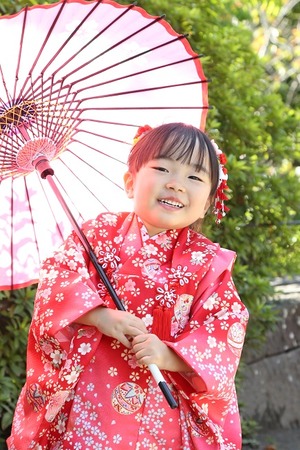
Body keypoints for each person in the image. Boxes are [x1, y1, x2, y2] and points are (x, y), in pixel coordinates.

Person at [8, 122, 249, 450]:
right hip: (92, 397)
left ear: (207, 202)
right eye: (163, 168)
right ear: (130, 182)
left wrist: (170, 356)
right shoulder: (97, 233)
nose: (176, 184)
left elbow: (224, 327)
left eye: (194, 177)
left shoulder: (209, 263)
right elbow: (59, 277)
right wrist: (99, 316)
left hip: (164, 407)